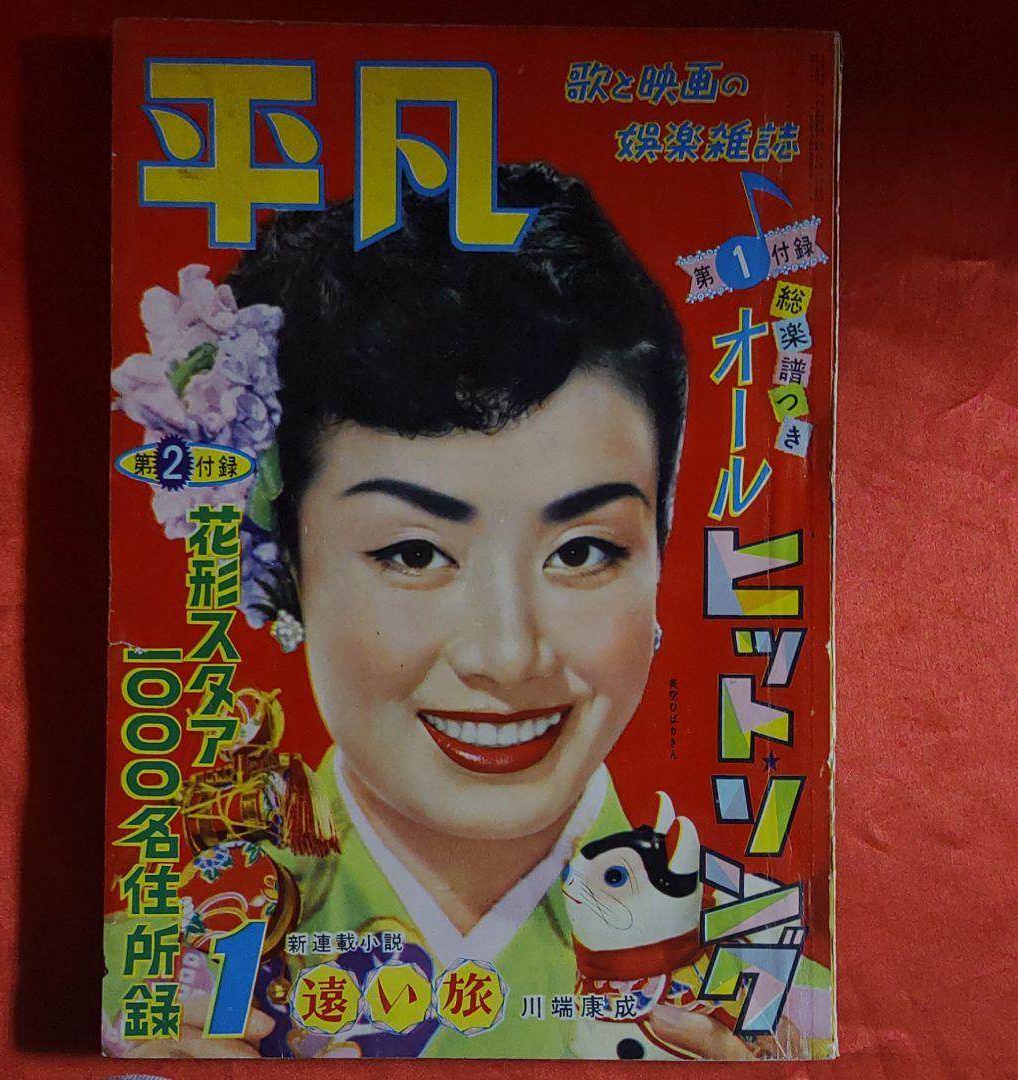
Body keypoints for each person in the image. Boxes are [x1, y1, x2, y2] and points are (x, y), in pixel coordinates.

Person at [114, 164, 822, 1059]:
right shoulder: (141, 992)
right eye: (414, 553)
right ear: (288, 561)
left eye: (583, 551)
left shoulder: (783, 1015)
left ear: (661, 543)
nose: (507, 653)